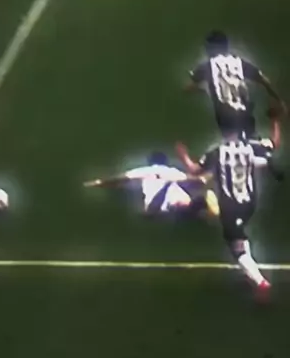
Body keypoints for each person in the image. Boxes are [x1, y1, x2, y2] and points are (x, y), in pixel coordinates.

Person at [176, 111, 282, 297]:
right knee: (239, 238)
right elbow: (274, 143)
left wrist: (183, 155)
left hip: (230, 208)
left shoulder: (217, 152)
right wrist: (275, 121)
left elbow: (194, 170)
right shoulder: (252, 147)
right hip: (249, 204)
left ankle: (261, 283)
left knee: (236, 248)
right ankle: (250, 273)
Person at [187, 31, 286, 141]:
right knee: (251, 141)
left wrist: (205, 90)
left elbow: (188, 88)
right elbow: (265, 81)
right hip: (244, 112)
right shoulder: (240, 63)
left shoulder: (207, 67)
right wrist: (279, 100)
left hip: (225, 115)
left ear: (209, 49)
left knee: (232, 143)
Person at [84, 151, 219, 217]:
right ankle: (200, 205)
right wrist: (207, 176)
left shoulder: (144, 170)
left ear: (150, 161)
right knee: (188, 201)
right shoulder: (171, 171)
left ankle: (197, 206)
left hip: (156, 205)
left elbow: (121, 179)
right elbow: (192, 180)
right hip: (169, 201)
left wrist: (99, 182)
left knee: (175, 203)